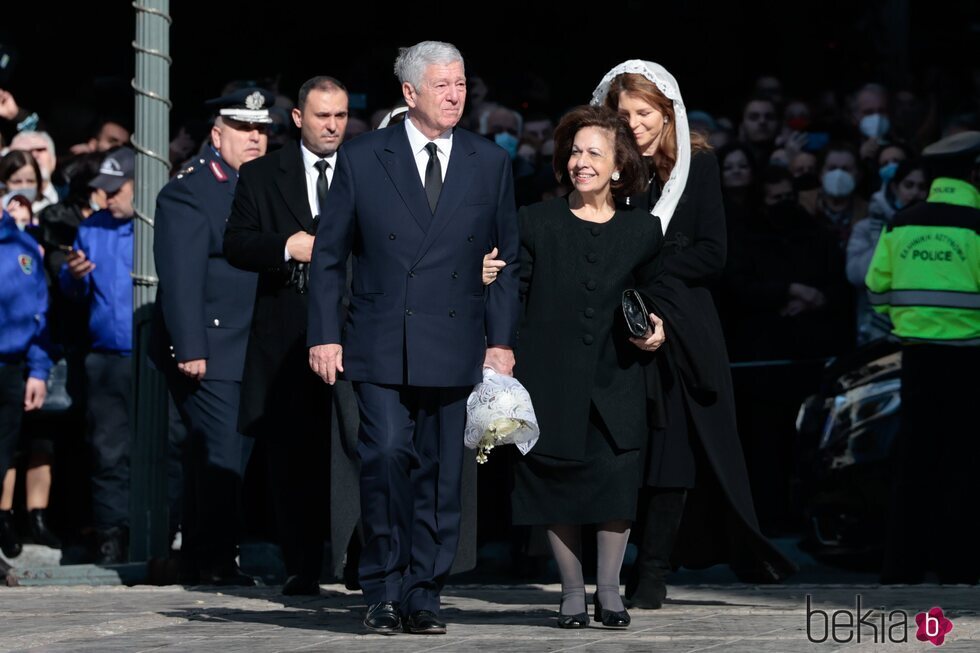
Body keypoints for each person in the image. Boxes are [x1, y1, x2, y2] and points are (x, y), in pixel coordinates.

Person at [307, 41, 520, 635]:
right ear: (409, 93)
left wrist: (500, 341)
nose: (455, 95)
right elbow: (329, 257)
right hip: (377, 340)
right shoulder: (363, 156)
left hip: (453, 342)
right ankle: (381, 585)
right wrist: (324, 335)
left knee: (439, 474)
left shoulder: (489, 161)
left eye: (460, 84)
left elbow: (509, 261)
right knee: (382, 457)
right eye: (442, 85)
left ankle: (424, 591)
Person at [593, 61, 797, 605]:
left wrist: (645, 267)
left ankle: (653, 571)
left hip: (682, 327)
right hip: (613, 324)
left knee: (672, 452)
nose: (634, 124)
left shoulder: (698, 165)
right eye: (623, 114)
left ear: (668, 113)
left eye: (644, 113)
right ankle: (607, 571)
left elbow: (713, 253)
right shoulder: (601, 165)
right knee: (616, 453)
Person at [510, 104, 661, 630]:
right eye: (574, 151)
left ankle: (611, 590)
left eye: (593, 152)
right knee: (555, 480)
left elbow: (657, 294)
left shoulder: (643, 230)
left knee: (616, 478)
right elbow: (515, 293)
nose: (580, 161)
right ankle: (572, 592)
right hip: (548, 375)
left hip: (617, 376)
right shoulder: (534, 221)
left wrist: (658, 327)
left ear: (618, 167)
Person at [223, 76, 359, 596]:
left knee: (353, 447)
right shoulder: (261, 176)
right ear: (298, 118)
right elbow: (236, 243)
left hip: (352, 333)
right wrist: (287, 245)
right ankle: (301, 563)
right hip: (284, 337)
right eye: (323, 116)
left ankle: (354, 558)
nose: (332, 126)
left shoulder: (366, 169)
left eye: (341, 116)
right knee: (291, 456)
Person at [151, 88, 273, 585]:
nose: (255, 139)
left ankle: (204, 556)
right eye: (244, 129)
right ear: (216, 132)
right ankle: (218, 561)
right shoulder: (190, 189)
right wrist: (191, 347)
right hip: (212, 345)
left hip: (251, 344)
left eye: (262, 129)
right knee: (222, 456)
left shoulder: (260, 184)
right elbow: (180, 277)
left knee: (226, 456)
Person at [867, 131, 980, 585]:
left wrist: (909, 321)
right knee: (965, 466)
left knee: (914, 465)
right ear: (973, 173)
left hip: (916, 360)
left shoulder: (901, 222)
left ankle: (902, 568)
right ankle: (961, 565)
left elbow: (877, 290)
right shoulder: (976, 225)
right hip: (970, 361)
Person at [58, 146, 135, 563]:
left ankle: (161, 531)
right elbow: (75, 294)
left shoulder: (158, 224)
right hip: (106, 357)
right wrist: (73, 277)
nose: (106, 198)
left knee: (166, 449)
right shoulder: (92, 229)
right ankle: (111, 535)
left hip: (155, 357)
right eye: (102, 190)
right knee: (108, 451)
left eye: (115, 189)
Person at [0, 205, 52, 559]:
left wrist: (37, 369)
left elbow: (39, 314)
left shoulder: (23, 246)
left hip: (10, 366)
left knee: (3, 455)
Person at [846, 159, 929, 344]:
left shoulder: (934, 233)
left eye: (922, 187)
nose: (915, 193)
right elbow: (855, 274)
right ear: (894, 187)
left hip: (918, 325)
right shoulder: (867, 228)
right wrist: (891, 235)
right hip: (873, 326)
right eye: (909, 185)